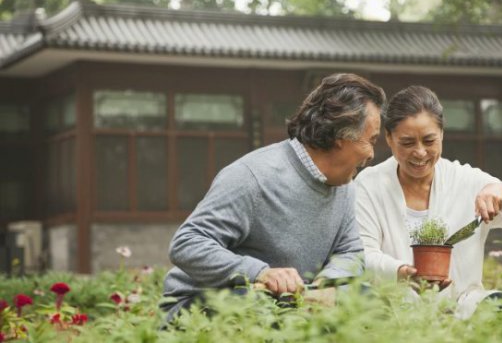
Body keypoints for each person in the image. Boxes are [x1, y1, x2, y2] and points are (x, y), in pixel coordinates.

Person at [161, 73, 386, 321]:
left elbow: (350, 251)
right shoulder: (253, 176)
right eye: (371, 141)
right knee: (266, 306)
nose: (372, 154)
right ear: (341, 136)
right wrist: (261, 273)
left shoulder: (344, 186)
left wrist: (327, 284)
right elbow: (187, 243)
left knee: (368, 300)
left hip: (291, 302)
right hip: (202, 304)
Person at [354, 85, 502, 318]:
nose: (420, 152)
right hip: (395, 308)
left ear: (442, 134)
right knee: (362, 298)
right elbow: (363, 255)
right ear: (389, 138)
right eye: (407, 143)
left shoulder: (467, 182)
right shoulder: (370, 184)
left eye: (429, 141)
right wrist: (402, 272)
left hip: (463, 307)